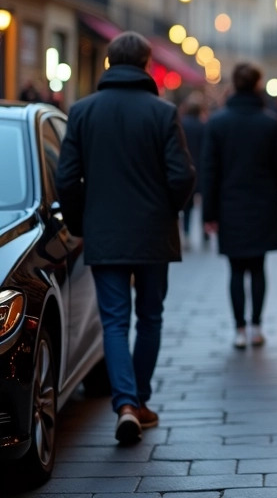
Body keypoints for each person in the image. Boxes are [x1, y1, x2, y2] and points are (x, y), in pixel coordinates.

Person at [55, 32, 195, 445]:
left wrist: (82, 223)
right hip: (153, 234)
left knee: (114, 320)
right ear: (148, 64)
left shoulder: (81, 112)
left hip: (105, 231)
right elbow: (183, 176)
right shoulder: (163, 113)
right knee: (150, 315)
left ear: (109, 64)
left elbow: (66, 178)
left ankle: (126, 404)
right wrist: (169, 209)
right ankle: (142, 400)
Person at [201, 63, 277, 349]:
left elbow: (209, 172)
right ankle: (257, 326)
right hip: (262, 204)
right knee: (259, 268)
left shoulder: (218, 122)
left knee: (236, 270)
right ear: (258, 85)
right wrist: (273, 189)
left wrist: (209, 213)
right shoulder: (270, 122)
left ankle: (239, 328)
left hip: (230, 204)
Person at [179, 95, 207, 247]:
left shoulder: (181, 125)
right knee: (203, 203)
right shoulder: (204, 126)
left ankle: (187, 233)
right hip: (201, 169)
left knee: (187, 206)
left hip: (187, 167)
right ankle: (205, 232)